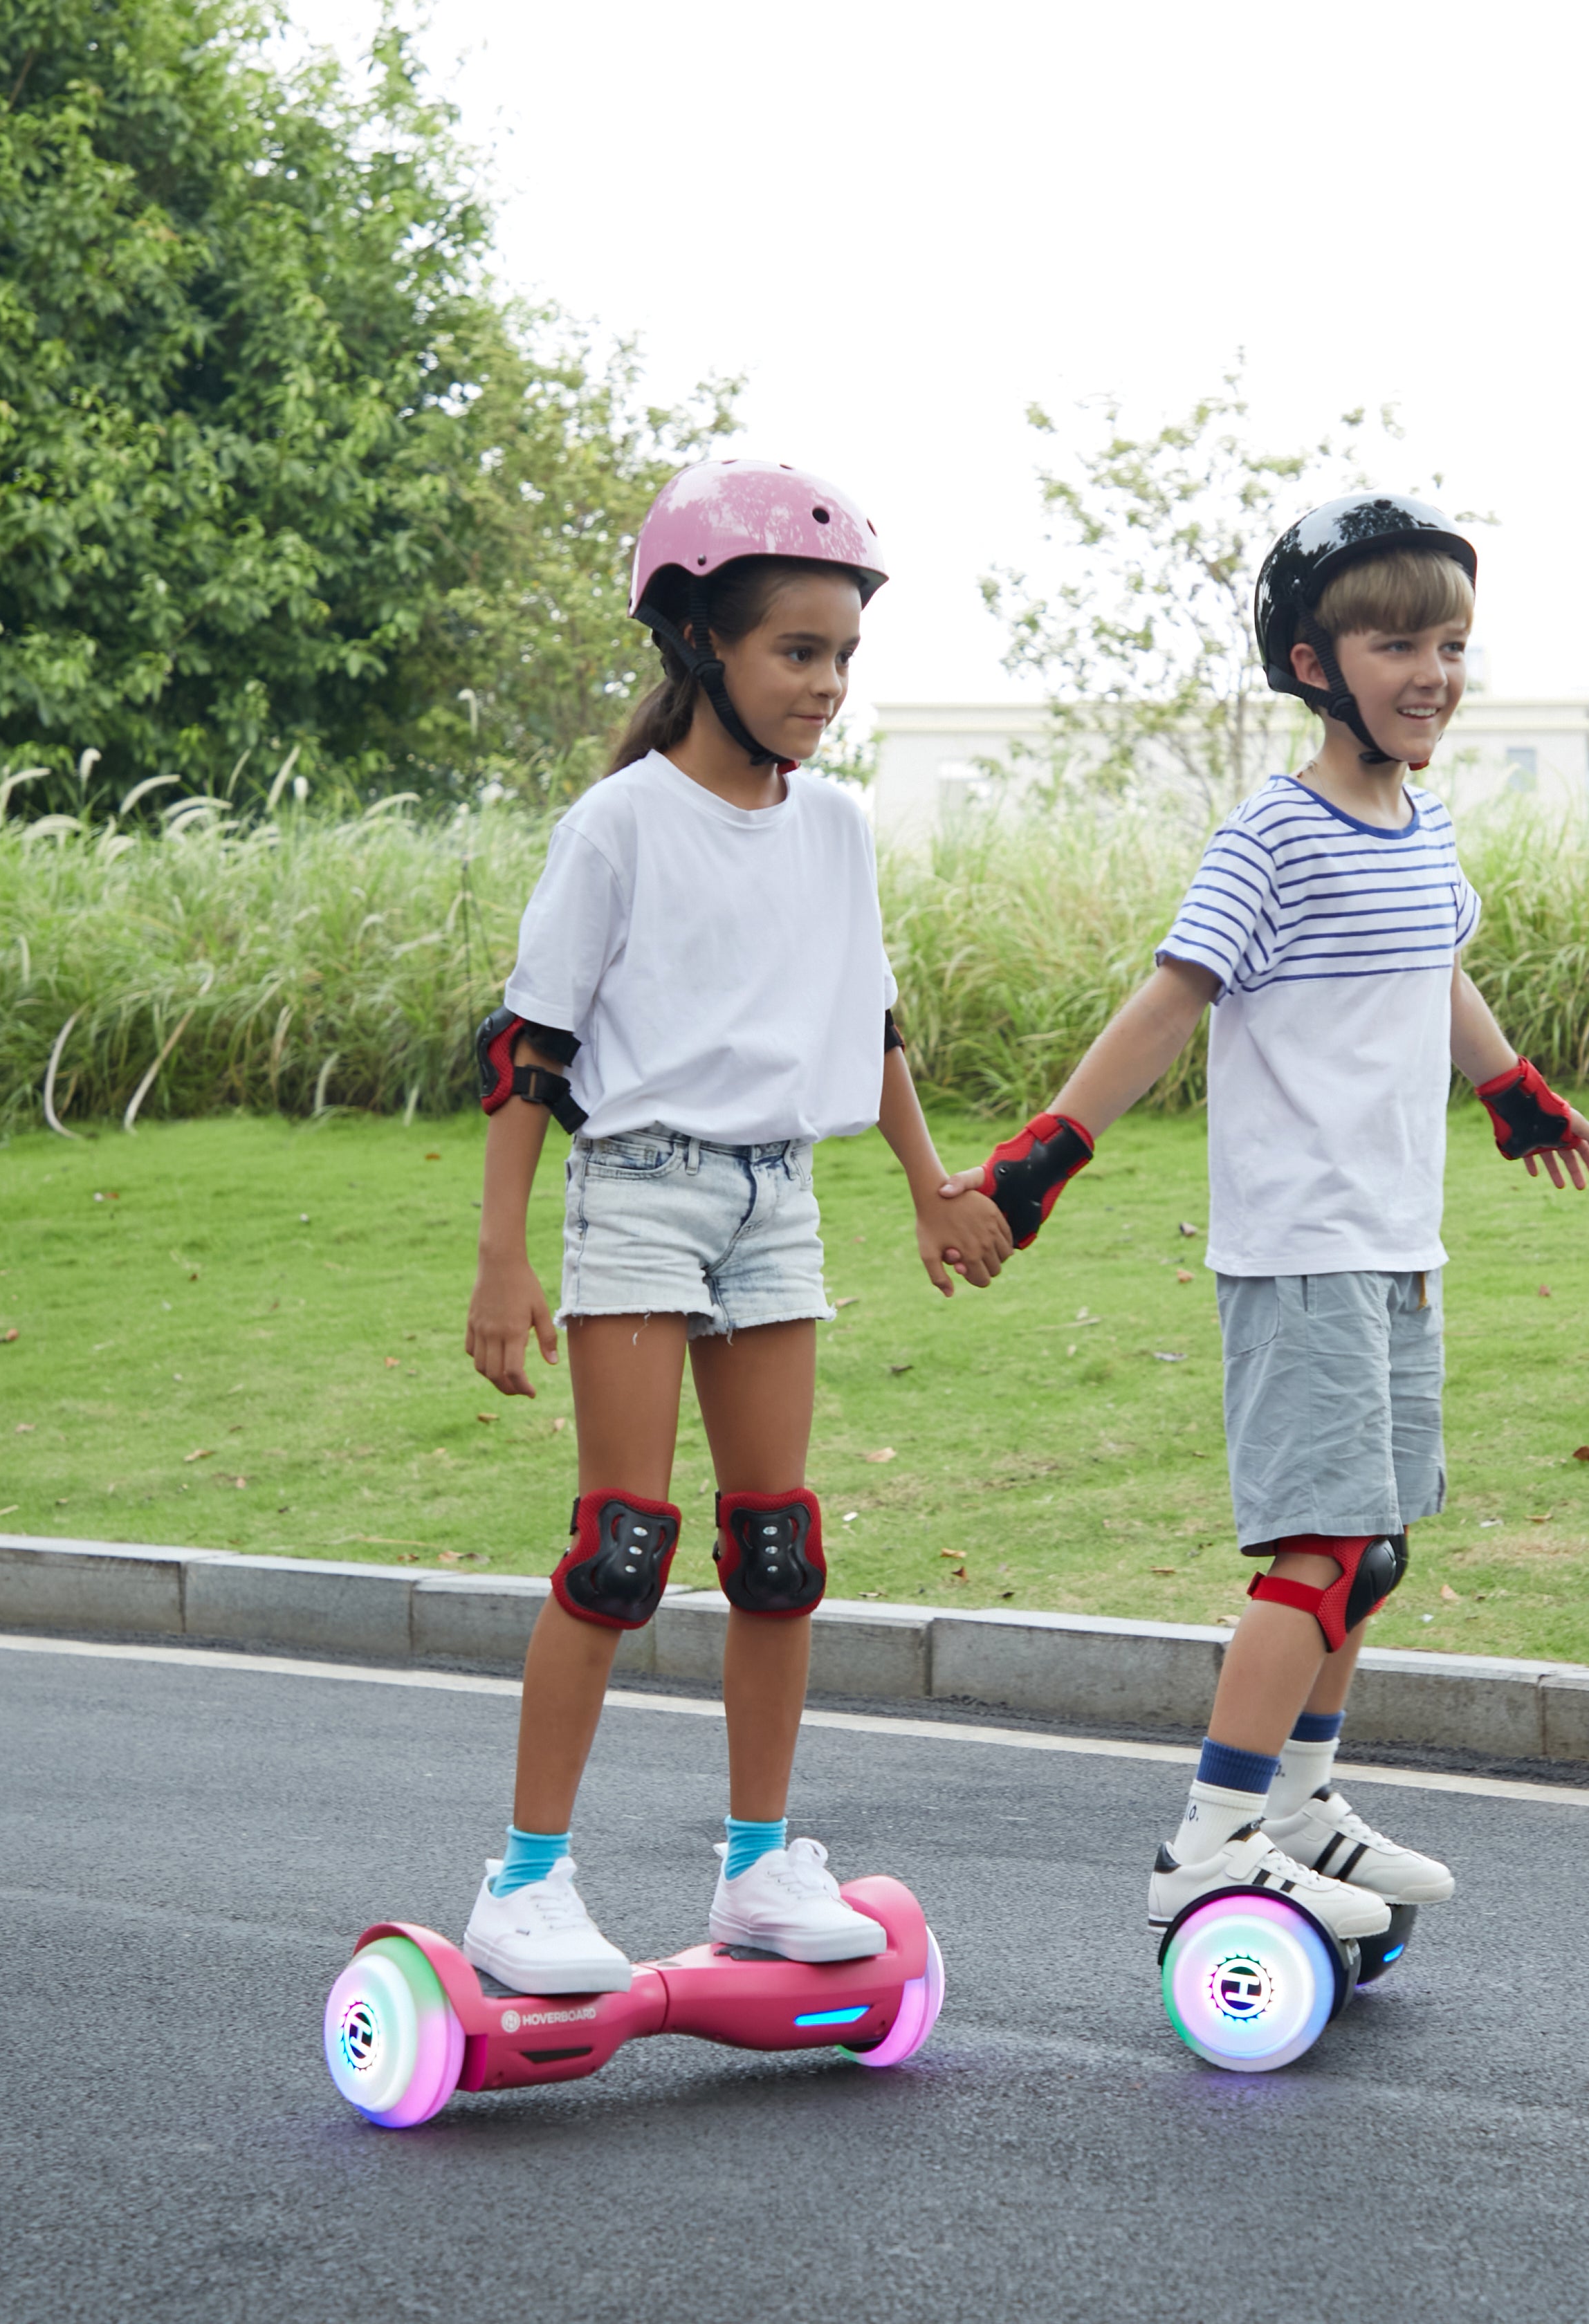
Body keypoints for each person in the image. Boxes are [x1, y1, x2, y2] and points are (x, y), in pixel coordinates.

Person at [948, 492, 1589, 1956]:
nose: (1431, 671)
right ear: (1315, 665)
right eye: (1395, 643)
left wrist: (1511, 1090)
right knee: (1314, 1554)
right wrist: (1044, 1154)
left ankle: (1303, 1806)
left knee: (1371, 1551)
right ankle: (1214, 1839)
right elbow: (1172, 997)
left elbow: (1435, 969)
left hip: (1396, 1246)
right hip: (1301, 1245)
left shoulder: (1419, 824)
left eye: (1449, 643)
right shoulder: (1274, 836)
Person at [459, 459, 1012, 1993]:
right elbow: (529, 1049)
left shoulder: (832, 832)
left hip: (779, 1196)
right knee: (622, 1547)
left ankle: (761, 1864)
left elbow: (872, 1019)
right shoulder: (621, 826)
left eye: (843, 658)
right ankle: (524, 1883)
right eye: (798, 653)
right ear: (700, 643)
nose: (828, 686)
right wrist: (504, 1260)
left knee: (778, 1550)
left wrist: (931, 1183)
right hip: (639, 1185)